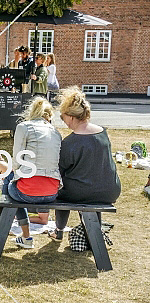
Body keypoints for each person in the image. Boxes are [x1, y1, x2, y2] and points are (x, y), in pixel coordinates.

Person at [0, 97, 62, 248]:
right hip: (52, 192)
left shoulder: (23, 127)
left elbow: (16, 162)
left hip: (27, 191)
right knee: (14, 182)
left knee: (10, 182)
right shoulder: (56, 133)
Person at [48, 87, 121, 241]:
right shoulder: (103, 133)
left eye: (63, 118)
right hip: (110, 189)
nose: (64, 122)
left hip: (82, 192)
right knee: (89, 186)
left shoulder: (70, 143)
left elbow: (59, 170)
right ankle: (94, 232)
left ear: (72, 117)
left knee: (60, 187)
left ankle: (59, 230)